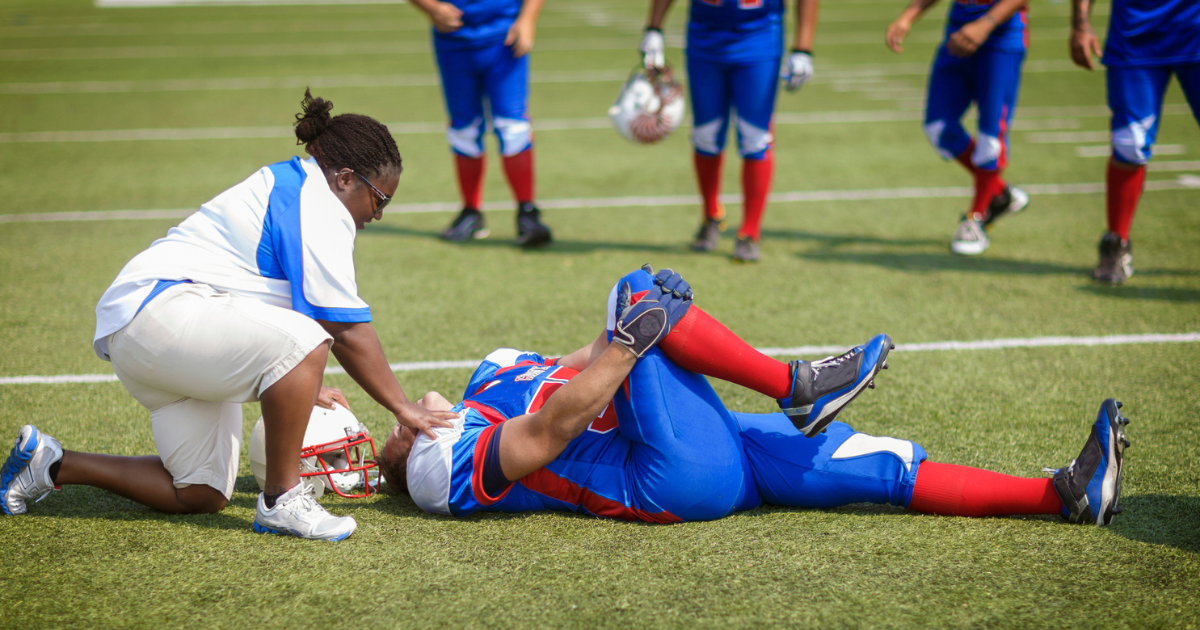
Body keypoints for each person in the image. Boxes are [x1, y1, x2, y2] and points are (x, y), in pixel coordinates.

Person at [0, 91, 456, 541]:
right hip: (159, 312)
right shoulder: (316, 201)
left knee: (199, 492)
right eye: (380, 199)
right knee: (309, 343)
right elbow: (345, 329)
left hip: (152, 330)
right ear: (345, 178)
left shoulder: (303, 190)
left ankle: (52, 462)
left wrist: (299, 383)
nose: (378, 214)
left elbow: (269, 311)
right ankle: (282, 499)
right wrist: (402, 406)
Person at [378, 267, 1129, 526]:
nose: (387, 428)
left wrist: (629, 336)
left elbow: (573, 364)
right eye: (382, 440)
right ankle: (798, 387)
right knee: (636, 291)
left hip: (696, 437)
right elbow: (551, 429)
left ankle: (1060, 493)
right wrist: (636, 331)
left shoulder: (490, 373)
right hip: (661, 476)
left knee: (879, 467)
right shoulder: (433, 467)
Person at [638, 0, 821, 263]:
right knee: (705, 135)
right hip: (704, 34)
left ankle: (749, 231)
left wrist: (803, 47)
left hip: (758, 36)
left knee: (755, 138)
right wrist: (654, 28)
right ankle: (711, 214)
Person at [1069, 0, 1200, 284]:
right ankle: (1117, 241)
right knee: (1129, 144)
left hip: (1195, 31)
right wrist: (1080, 24)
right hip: (1134, 36)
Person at [886, 0, 1031, 256]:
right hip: (958, 34)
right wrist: (909, 15)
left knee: (990, 136)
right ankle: (999, 192)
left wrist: (985, 24)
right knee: (938, 127)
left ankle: (976, 218)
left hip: (1001, 41)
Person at [408, 0, 553, 248]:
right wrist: (431, 7)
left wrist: (528, 18)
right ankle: (471, 212)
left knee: (513, 127)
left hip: (505, 36)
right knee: (463, 129)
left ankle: (527, 213)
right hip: (452, 38)